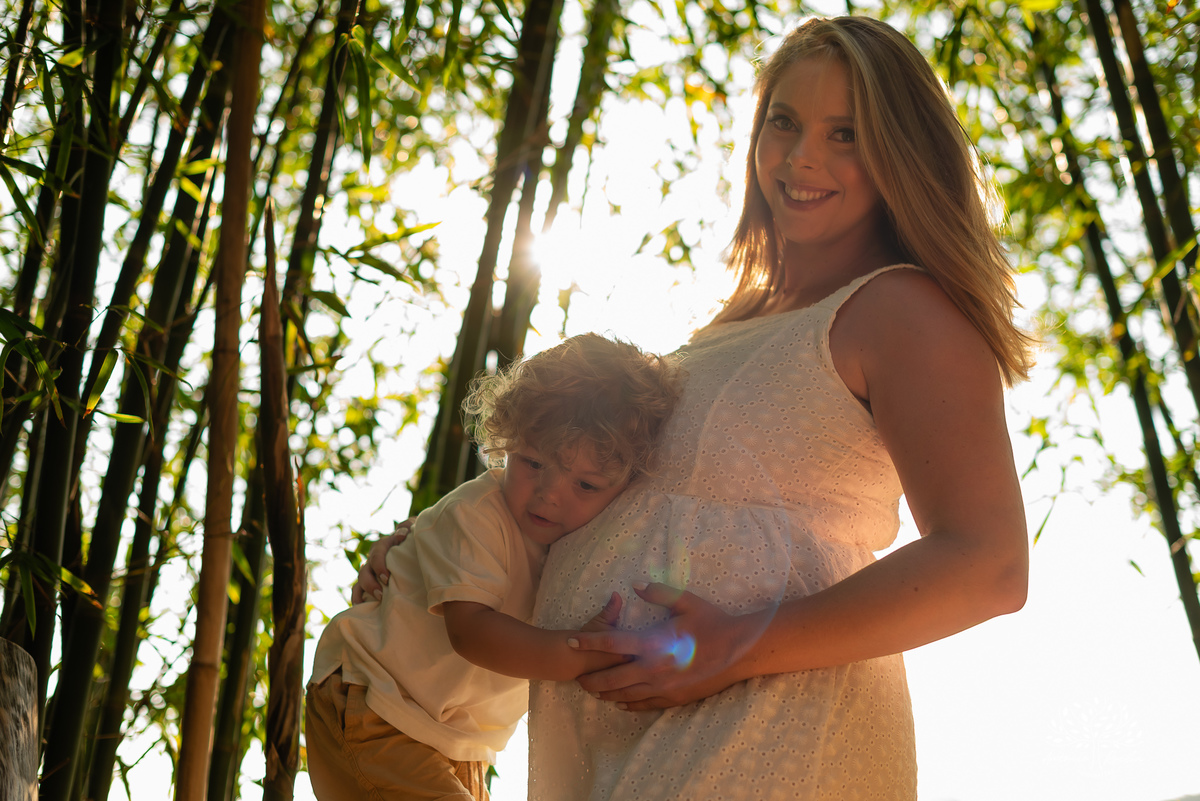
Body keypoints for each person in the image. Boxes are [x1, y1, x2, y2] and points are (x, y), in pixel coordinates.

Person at [356, 15, 1032, 800]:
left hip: (766, 741)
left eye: (845, 133)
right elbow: (612, 505)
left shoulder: (900, 308)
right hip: (625, 750)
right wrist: (452, 545)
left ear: (900, 152)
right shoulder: (729, 329)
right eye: (784, 121)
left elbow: (989, 563)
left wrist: (738, 646)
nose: (801, 156)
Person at [306, 333, 684, 801]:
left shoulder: (583, 544)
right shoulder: (477, 515)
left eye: (585, 485)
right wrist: (580, 653)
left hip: (454, 740)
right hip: (375, 700)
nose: (548, 494)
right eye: (533, 463)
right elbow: (472, 633)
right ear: (506, 441)